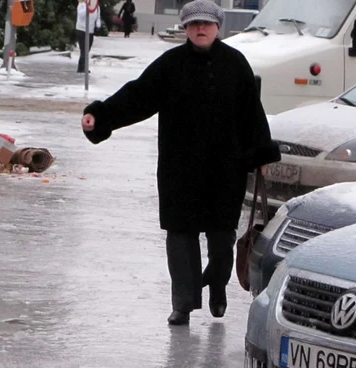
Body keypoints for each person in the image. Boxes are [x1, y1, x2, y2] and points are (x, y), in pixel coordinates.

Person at [80, 0, 280, 325]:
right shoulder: (170, 65)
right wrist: (101, 116)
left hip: (225, 169)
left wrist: (261, 154)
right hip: (180, 167)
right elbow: (138, 96)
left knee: (221, 238)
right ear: (186, 28)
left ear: (218, 27)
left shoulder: (235, 64)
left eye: (207, 24)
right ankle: (184, 303)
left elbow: (252, 114)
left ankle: (217, 285)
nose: (201, 29)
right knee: (180, 237)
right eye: (194, 24)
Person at [75, 0, 101, 73]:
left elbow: (98, 18)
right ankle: (82, 68)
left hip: (90, 30)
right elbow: (81, 15)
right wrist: (87, 7)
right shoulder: (81, 5)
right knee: (84, 49)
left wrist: (98, 25)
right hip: (81, 30)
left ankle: (82, 66)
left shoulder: (97, 7)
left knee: (87, 50)